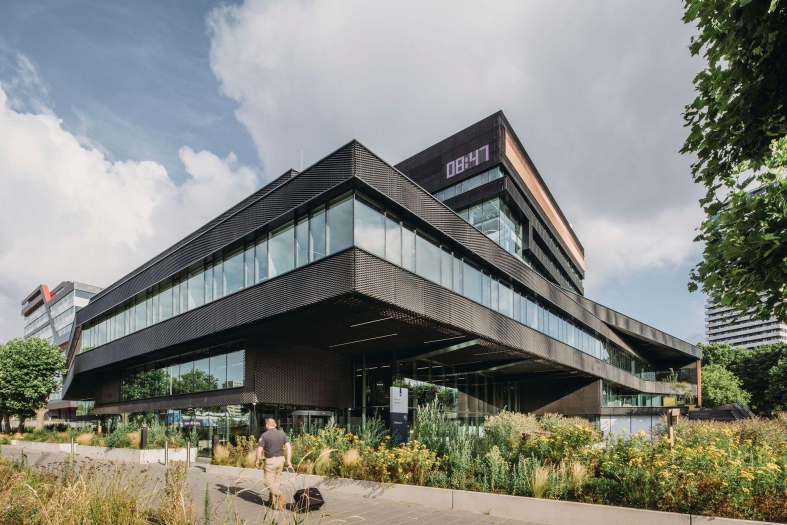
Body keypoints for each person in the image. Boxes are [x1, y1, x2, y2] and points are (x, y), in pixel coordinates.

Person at [255, 418, 292, 509]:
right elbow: (289, 447)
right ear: (275, 425)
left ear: (267, 425)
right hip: (281, 460)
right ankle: (274, 503)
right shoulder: (282, 434)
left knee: (267, 481)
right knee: (275, 481)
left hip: (271, 461)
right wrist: (288, 461)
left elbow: (259, 449)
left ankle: (279, 494)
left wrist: (257, 460)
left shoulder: (264, 435)